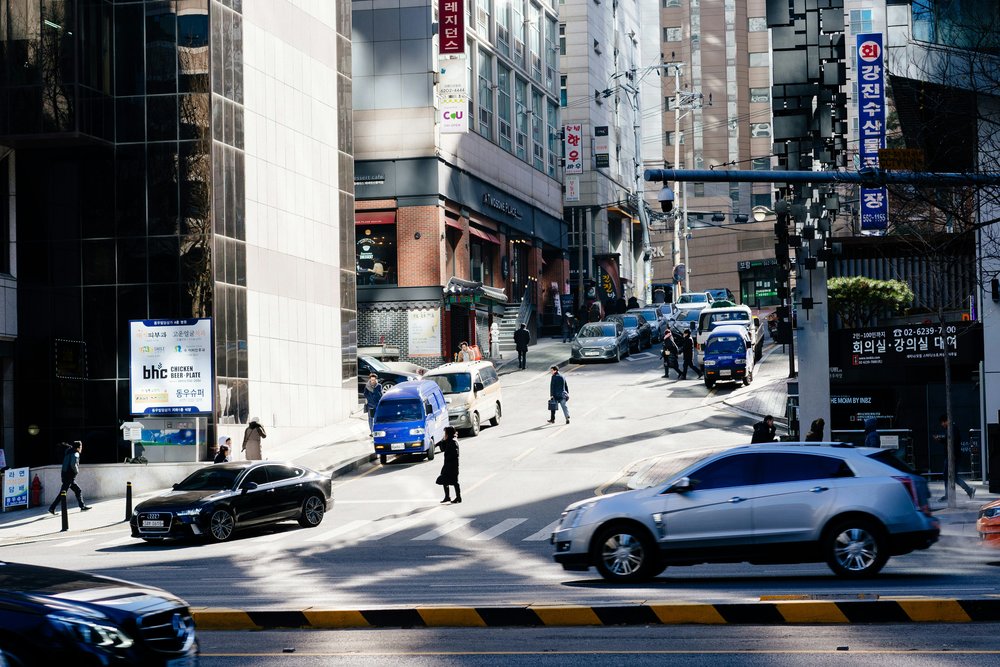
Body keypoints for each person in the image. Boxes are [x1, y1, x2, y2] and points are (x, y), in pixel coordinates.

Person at [935, 413, 975, 500]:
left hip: (952, 457)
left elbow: (953, 443)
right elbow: (949, 441)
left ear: (946, 421)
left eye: (942, 422)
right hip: (952, 456)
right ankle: (965, 491)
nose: (942, 425)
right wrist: (941, 440)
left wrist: (952, 456)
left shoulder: (952, 429)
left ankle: (966, 491)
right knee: (949, 476)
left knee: (951, 476)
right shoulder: (951, 429)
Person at [48, 441, 91, 514]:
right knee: (63, 493)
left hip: (66, 476)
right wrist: (77, 471)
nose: (81, 448)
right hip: (69, 477)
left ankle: (82, 506)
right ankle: (52, 508)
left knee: (77, 490)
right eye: (81, 447)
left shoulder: (69, 452)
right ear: (78, 447)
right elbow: (73, 464)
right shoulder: (76, 453)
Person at [437, 426, 462, 504]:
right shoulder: (449, 441)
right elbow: (443, 448)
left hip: (452, 466)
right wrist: (443, 440)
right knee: (444, 480)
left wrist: (449, 459)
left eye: (446, 433)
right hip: (447, 465)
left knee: (454, 481)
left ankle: (458, 497)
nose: (445, 434)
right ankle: (447, 496)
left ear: (449, 433)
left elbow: (455, 454)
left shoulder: (453, 442)